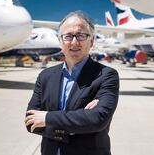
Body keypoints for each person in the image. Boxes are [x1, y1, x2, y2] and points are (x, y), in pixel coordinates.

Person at [25, 11, 120, 155]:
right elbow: (31, 122)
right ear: (60, 41)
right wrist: (80, 120)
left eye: (81, 35)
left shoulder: (106, 75)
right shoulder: (45, 76)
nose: (74, 42)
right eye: (68, 36)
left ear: (92, 41)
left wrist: (47, 118)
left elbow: (98, 119)